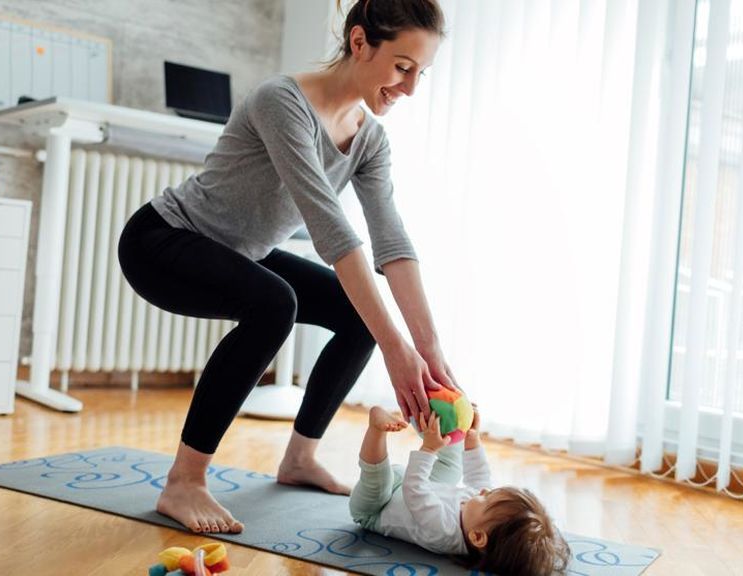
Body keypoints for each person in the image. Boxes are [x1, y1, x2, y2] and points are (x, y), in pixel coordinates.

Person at [118, 0, 454, 534]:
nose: (409, 88)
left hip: (239, 250)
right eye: (402, 67)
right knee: (275, 303)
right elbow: (330, 229)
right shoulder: (283, 100)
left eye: (421, 74)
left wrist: (428, 351)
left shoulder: (369, 139)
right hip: (163, 240)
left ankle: (299, 458)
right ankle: (184, 481)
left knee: (355, 312)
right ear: (361, 42)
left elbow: (390, 240)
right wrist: (397, 350)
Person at [349, 407, 571, 575]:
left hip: (377, 507)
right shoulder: (478, 514)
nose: (484, 491)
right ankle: (446, 421)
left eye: (487, 498)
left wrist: (428, 449)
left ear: (477, 537)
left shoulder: (443, 531)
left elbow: (414, 490)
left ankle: (376, 430)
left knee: (377, 480)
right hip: (418, 486)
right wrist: (471, 438)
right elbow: (479, 476)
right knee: (453, 467)